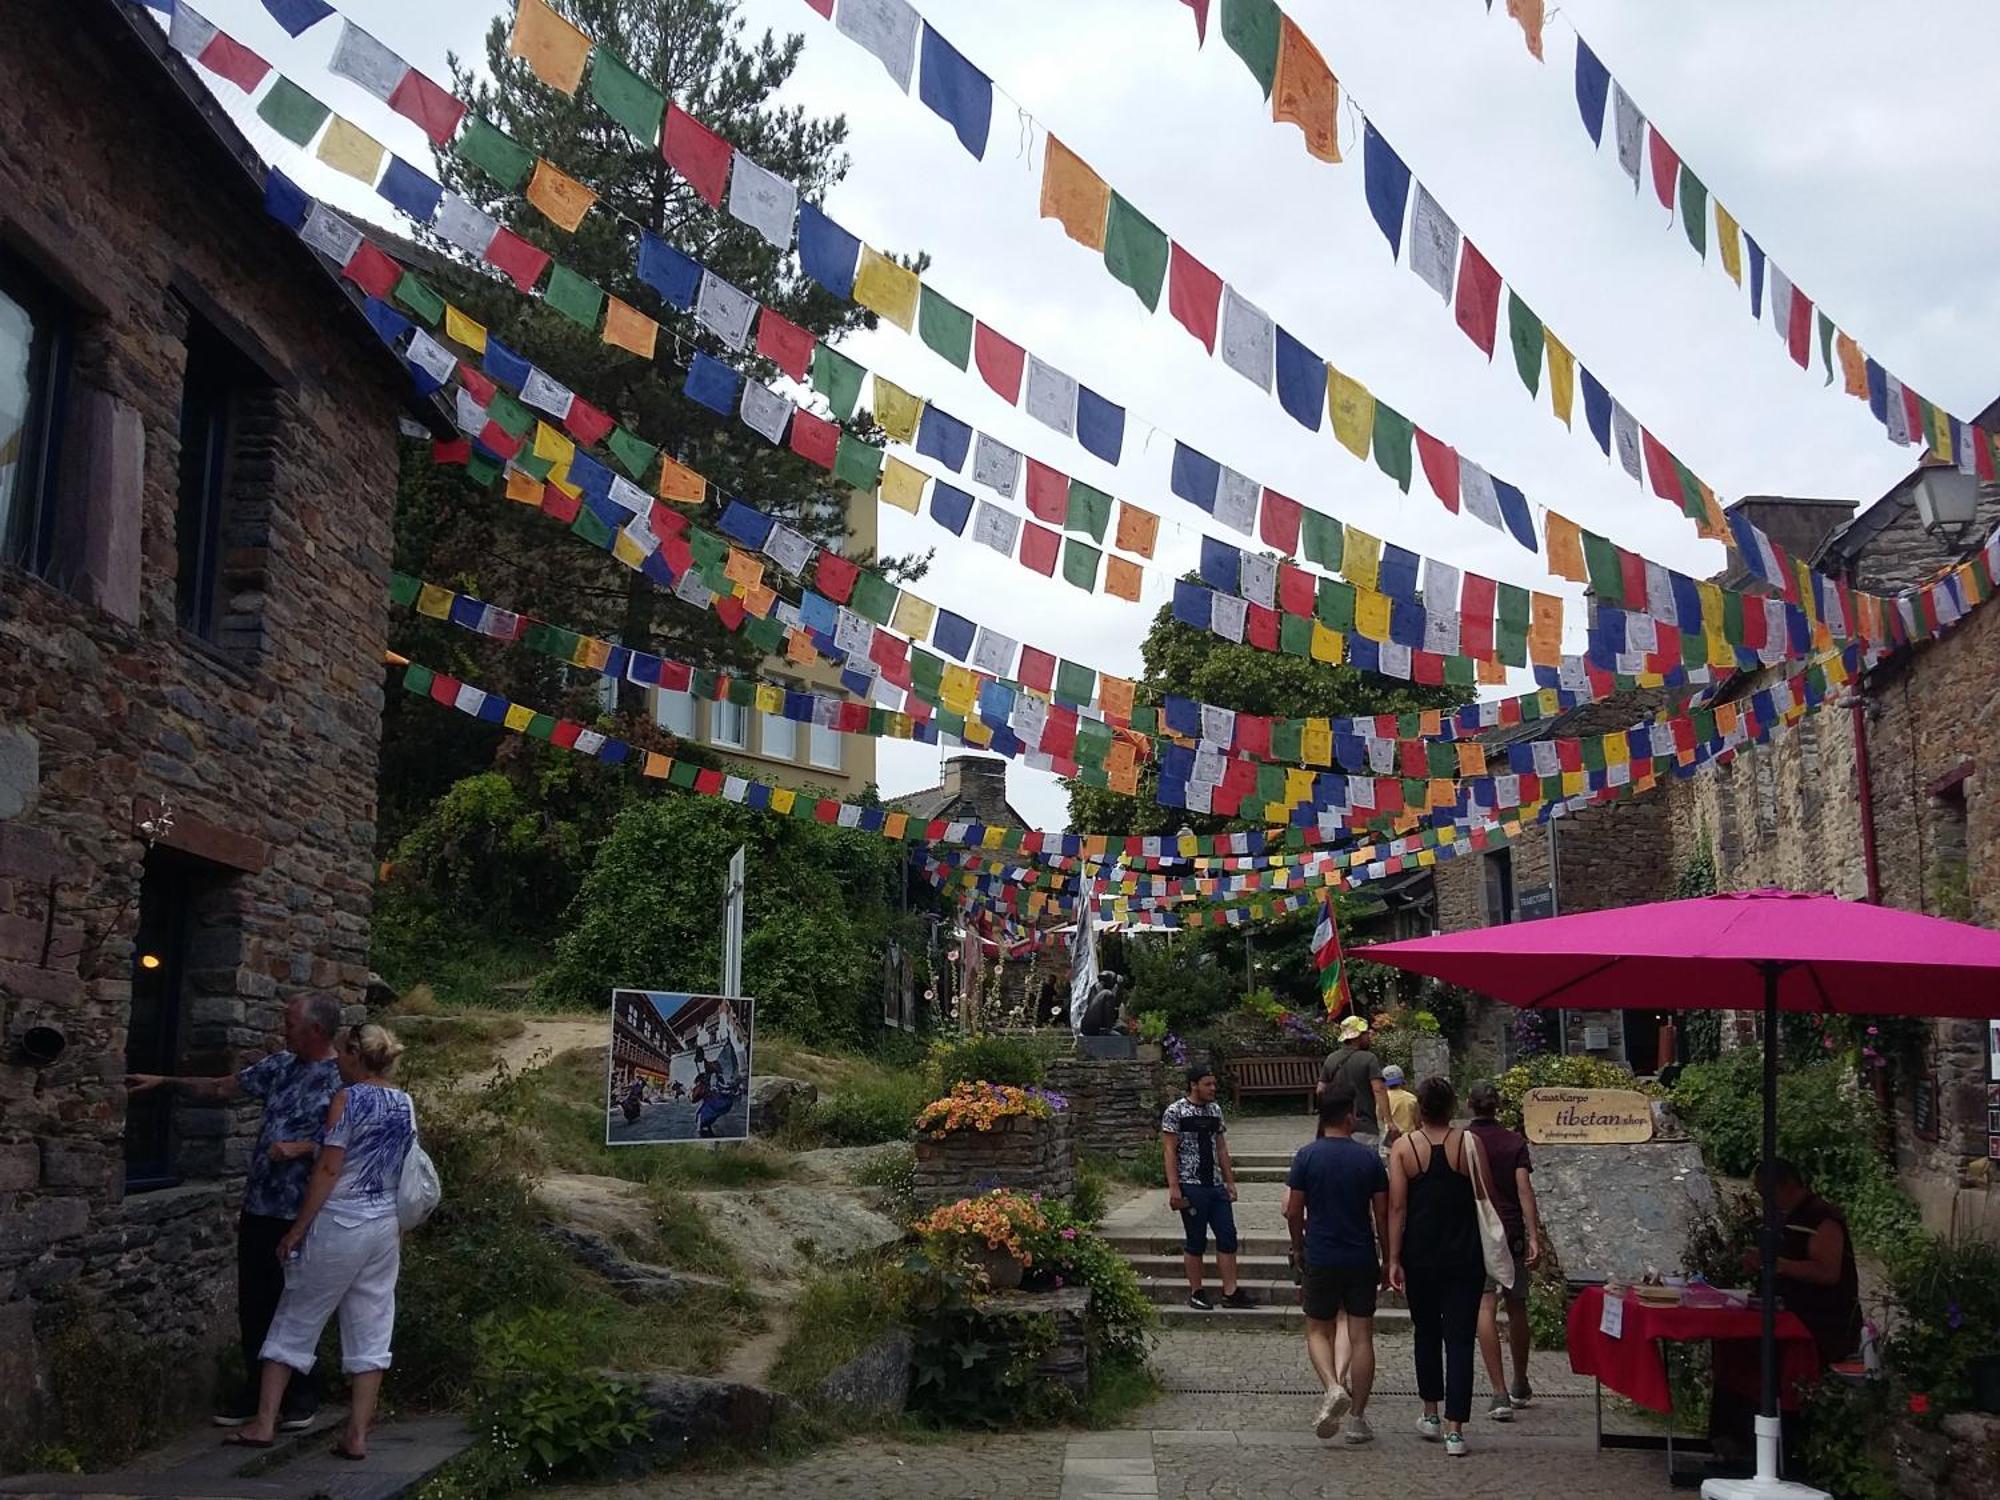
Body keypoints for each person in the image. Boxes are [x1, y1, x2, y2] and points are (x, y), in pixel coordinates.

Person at [126, 993, 343, 1430]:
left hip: (304, 1211)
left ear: (316, 1031)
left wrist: (304, 1147)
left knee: (295, 1302)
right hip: (261, 1203)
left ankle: (301, 1393)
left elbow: (354, 1146)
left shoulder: (344, 1079)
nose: (283, 1030)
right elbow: (224, 1086)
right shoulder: (280, 1066)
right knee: (255, 1300)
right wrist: (165, 1082)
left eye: (291, 1023)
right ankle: (255, 1387)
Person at [226, 1024, 414, 1461]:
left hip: (341, 1222)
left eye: (343, 1054)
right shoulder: (404, 1103)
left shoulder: (347, 1100)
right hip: (384, 1224)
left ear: (353, 1053)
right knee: (371, 1326)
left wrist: (296, 1230)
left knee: (296, 1315)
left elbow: (329, 1169)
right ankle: (357, 1434)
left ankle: (264, 1421)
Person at [1709, 1159, 1862, 1461]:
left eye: (1767, 1193)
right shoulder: (1783, 1218)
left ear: (1785, 1186)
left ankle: (1780, 1444)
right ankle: (1734, 1437)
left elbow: (1828, 1271)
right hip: (1783, 1311)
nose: (1764, 1201)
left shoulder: (1821, 1218)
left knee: (1769, 1355)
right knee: (1735, 1346)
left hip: (1820, 1321)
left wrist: (1780, 1265)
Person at [1386, 1075, 1493, 1458]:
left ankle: (1430, 1413)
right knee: (1461, 1340)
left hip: (1421, 1254)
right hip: (1464, 1253)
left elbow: (1397, 1207)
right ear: (1452, 1107)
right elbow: (1484, 1194)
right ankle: (1455, 1430)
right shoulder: (1469, 1143)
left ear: (1420, 1108)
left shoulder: (1403, 1148)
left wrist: (1393, 1258)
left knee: (1426, 1332)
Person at [1283, 1085, 1389, 1445]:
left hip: (1321, 1253)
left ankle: (1331, 1386)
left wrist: (1299, 1246)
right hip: (1360, 1255)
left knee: (1317, 1329)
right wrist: (1388, 1256)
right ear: (1349, 1116)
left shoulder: (1306, 1156)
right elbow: (1382, 1212)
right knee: (1361, 1336)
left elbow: (1293, 1209)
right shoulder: (1369, 1159)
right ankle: (1358, 1418)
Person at [1464, 1080, 1542, 1421]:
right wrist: (1534, 1234)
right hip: (1510, 1228)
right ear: (1497, 1106)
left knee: (1484, 1305)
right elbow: (1525, 1190)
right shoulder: (1513, 1142)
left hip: (1477, 1228)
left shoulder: (1462, 1141)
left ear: (1470, 1105)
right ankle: (1520, 1379)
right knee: (1517, 1304)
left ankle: (1498, 1392)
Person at [1161, 1065, 1252, 1310]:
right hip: (1191, 1184)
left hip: (1214, 1184)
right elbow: (1169, 1150)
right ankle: (1196, 1291)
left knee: (1227, 1236)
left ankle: (1231, 1291)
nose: (1213, 1088)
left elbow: (1221, 1147)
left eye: (1214, 1084)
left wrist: (1229, 1181)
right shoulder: (1176, 1111)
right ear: (1194, 1085)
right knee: (1196, 1239)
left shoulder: (1215, 1111)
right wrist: (1174, 1188)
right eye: (1208, 1084)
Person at [1320, 1015, 1394, 1152]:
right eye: (1365, 1033)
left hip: (1336, 1128)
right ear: (1357, 1036)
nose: (1369, 1036)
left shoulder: (1331, 1059)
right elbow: (1378, 1089)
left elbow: (1320, 1090)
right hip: (1364, 1127)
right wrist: (1389, 1121)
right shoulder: (1369, 1058)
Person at [1381, 1065, 1420, 1139]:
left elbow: (1380, 1119)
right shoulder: (1411, 1098)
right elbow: (1417, 1122)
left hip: (1390, 1139)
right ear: (1402, 1081)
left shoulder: (1382, 1099)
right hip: (1410, 1139)